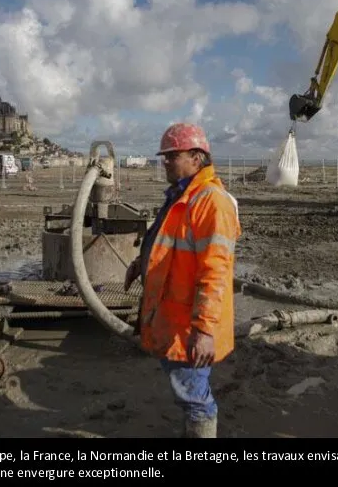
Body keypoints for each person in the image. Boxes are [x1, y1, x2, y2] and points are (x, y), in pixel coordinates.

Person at [124, 122, 241, 438]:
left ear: (196, 156)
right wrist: (141, 263)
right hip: (173, 317)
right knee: (188, 391)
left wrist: (204, 329)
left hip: (189, 325)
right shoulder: (183, 196)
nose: (165, 161)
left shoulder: (210, 202)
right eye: (165, 155)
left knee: (195, 398)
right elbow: (169, 243)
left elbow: (215, 272)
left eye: (172, 155)